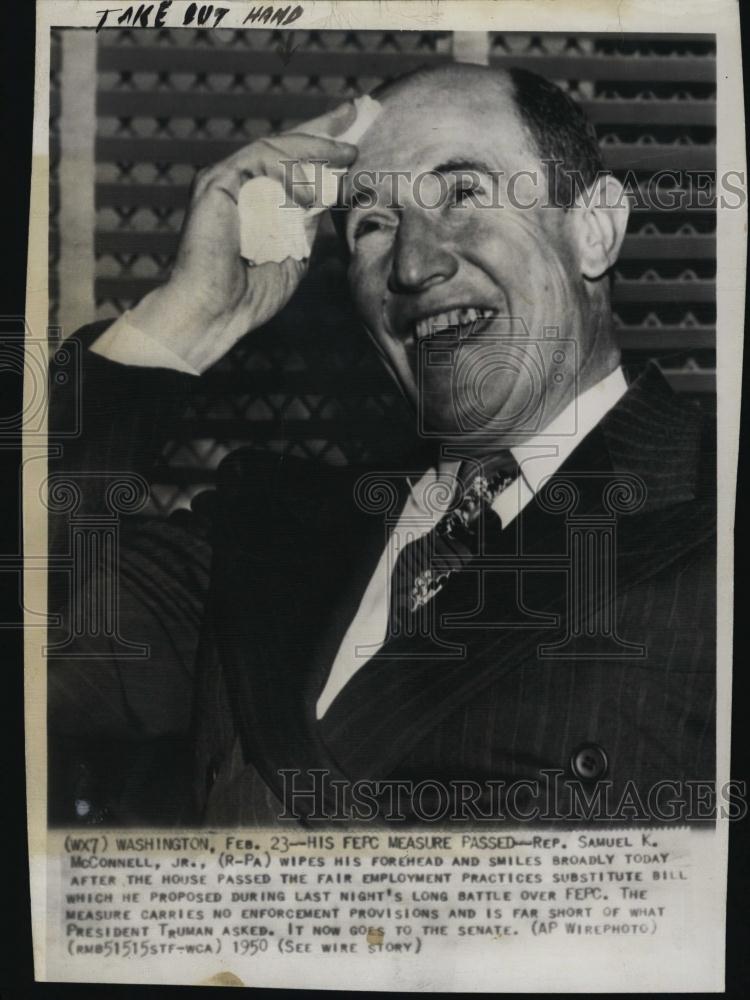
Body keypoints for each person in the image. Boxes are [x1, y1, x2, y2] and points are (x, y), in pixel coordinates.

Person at [48, 64, 716, 827]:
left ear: (593, 229)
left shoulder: (713, 517)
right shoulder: (265, 538)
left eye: (463, 194)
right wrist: (186, 319)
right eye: (372, 223)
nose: (413, 263)